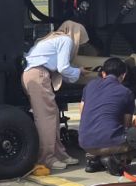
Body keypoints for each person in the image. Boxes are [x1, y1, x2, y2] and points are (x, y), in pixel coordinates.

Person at [21, 20, 89, 170]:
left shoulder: (52, 38)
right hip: (39, 75)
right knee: (47, 118)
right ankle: (47, 158)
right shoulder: (66, 40)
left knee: (52, 115)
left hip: (32, 75)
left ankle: (60, 153)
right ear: (76, 35)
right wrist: (79, 72)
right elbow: (63, 67)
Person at [78, 57, 134, 175]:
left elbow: (82, 112)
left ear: (103, 73)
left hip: (85, 142)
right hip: (111, 143)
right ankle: (114, 159)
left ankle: (93, 159)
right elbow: (127, 123)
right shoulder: (126, 92)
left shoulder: (89, 86)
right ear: (123, 75)